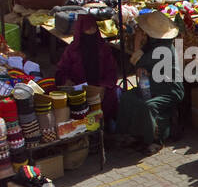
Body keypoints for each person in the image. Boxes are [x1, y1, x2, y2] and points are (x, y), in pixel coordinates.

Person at [118, 11, 186, 151]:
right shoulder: (153, 44)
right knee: (127, 98)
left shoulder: (163, 48)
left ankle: (155, 140)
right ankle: (132, 134)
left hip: (169, 90)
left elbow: (137, 61)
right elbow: (142, 63)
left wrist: (137, 42)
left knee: (148, 106)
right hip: (154, 85)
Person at [54, 14, 122, 122]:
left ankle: (108, 125)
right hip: (80, 91)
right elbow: (61, 71)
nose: (91, 31)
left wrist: (104, 87)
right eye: (87, 29)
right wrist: (67, 81)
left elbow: (112, 71)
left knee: (115, 95)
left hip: (101, 88)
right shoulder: (72, 50)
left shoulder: (103, 48)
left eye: (93, 28)